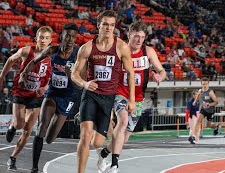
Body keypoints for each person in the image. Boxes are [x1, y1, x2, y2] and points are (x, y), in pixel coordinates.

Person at [70, 10, 136, 173]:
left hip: (108, 99)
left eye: (112, 25)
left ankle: (101, 152)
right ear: (98, 25)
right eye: (105, 24)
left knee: (97, 142)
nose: (108, 28)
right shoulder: (87, 48)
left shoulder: (121, 47)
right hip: (90, 96)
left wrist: (132, 100)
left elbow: (130, 73)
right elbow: (74, 74)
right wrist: (84, 84)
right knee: (85, 136)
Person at [96, 21, 166, 173]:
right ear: (129, 35)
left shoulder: (148, 52)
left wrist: (159, 76)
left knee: (124, 137)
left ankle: (104, 153)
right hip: (120, 93)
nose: (139, 40)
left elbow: (162, 71)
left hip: (139, 97)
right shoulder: (120, 50)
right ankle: (115, 165)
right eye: (136, 36)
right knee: (122, 121)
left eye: (142, 37)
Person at [18, 23, 80, 173]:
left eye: (73, 36)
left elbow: (80, 85)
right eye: (67, 36)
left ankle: (54, 122)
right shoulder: (52, 50)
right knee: (41, 128)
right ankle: (34, 167)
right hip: (53, 93)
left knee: (50, 139)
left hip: (69, 97)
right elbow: (34, 61)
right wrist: (23, 74)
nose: (70, 39)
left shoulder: (78, 54)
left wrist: (69, 75)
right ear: (62, 37)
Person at [0, 26, 53, 171]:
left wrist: (45, 88)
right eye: (41, 37)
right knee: (19, 124)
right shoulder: (26, 51)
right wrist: (1, 77)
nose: (43, 40)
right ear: (36, 38)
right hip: (20, 92)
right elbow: (10, 60)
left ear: (50, 41)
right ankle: (12, 127)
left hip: (36, 96)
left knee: (28, 130)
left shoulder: (51, 57)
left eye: (46, 38)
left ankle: (13, 158)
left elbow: (51, 76)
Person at [191, 77, 219, 144]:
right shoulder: (200, 91)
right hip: (203, 109)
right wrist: (195, 101)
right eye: (203, 84)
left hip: (210, 110)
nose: (205, 86)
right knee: (198, 121)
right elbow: (197, 96)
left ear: (208, 84)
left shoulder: (210, 92)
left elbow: (216, 102)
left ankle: (216, 127)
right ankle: (193, 137)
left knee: (208, 125)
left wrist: (209, 104)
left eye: (206, 84)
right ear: (201, 84)